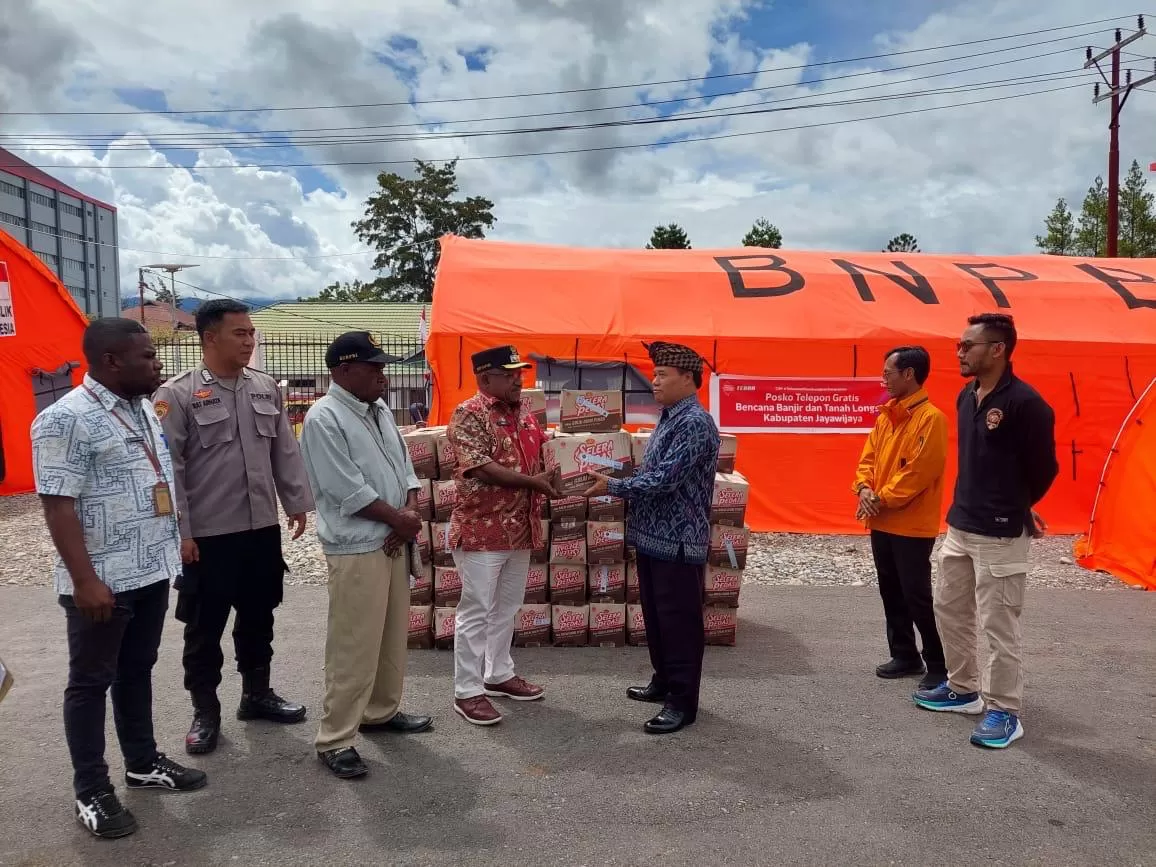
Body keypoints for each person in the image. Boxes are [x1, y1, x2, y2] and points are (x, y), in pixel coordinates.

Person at [32, 318, 206, 840]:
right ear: (111, 360)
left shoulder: (141, 408)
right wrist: (84, 580)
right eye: (147, 355)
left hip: (149, 569)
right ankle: (91, 791)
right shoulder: (65, 419)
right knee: (90, 683)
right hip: (102, 580)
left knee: (137, 670)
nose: (157, 363)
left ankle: (143, 763)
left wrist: (173, 543)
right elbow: (58, 505)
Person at [153, 300, 315, 756]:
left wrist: (296, 502)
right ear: (210, 338)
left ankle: (256, 694)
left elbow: (284, 450)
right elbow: (170, 469)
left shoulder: (264, 387)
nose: (249, 341)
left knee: (260, 614)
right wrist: (182, 532)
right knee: (204, 626)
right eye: (239, 333)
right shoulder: (177, 395)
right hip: (208, 535)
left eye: (251, 333)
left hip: (260, 527)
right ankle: (205, 711)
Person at [913, 313, 1058, 749]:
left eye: (967, 346)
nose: (959, 352)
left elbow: (1044, 468)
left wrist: (1019, 506)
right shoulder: (967, 395)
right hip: (961, 524)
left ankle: (1004, 711)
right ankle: (963, 689)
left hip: (1000, 534)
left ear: (997, 350)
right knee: (949, 609)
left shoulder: (1027, 404)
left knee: (999, 624)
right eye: (959, 345)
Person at [300, 332, 433, 779]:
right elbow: (346, 489)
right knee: (353, 644)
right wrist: (399, 521)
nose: (383, 375)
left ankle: (380, 711)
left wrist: (407, 515)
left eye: (383, 366)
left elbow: (405, 470)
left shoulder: (378, 410)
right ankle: (335, 737)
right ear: (343, 371)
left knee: (391, 635)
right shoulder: (324, 418)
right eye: (374, 367)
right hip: (358, 545)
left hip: (393, 537)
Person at [585, 341, 719, 735]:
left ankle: (682, 702)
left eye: (662, 375)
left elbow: (664, 480)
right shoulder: (669, 417)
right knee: (658, 619)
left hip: (678, 543)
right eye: (654, 373)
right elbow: (652, 473)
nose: (654, 381)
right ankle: (663, 681)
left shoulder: (694, 422)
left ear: (688, 379)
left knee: (679, 624)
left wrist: (613, 485)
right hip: (652, 538)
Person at [447, 345, 556, 726]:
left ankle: (498, 673)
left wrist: (568, 465)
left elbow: (545, 453)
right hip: (482, 530)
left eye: (519, 373)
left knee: (507, 607)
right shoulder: (468, 414)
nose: (517, 380)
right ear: (484, 378)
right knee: (476, 610)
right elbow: (481, 468)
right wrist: (534, 483)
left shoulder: (524, 413)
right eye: (508, 374)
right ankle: (467, 691)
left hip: (521, 529)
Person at [853, 346, 949, 691]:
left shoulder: (931, 419)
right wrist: (864, 488)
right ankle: (905, 654)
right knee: (891, 591)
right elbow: (868, 459)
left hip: (912, 525)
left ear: (909, 374)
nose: (884, 380)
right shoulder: (886, 417)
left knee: (917, 595)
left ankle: (938, 663)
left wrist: (880, 498)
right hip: (882, 520)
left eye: (887, 374)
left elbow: (920, 472)